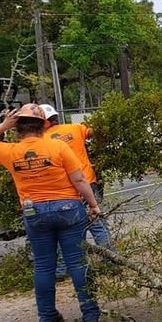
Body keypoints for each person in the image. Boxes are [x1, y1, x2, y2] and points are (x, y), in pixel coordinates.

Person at [0, 104, 101, 322]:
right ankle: (90, 314)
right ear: (44, 126)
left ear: (17, 129)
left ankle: (47, 317)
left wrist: (4, 125)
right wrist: (93, 205)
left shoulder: (11, 151)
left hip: (34, 212)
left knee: (44, 266)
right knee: (77, 261)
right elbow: (80, 180)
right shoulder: (58, 147)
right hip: (68, 209)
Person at [40, 104, 114, 279]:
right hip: (87, 182)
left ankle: (61, 269)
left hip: (63, 190)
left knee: (63, 229)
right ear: (56, 117)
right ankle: (111, 261)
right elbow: (98, 132)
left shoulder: (42, 139)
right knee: (98, 225)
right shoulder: (75, 128)